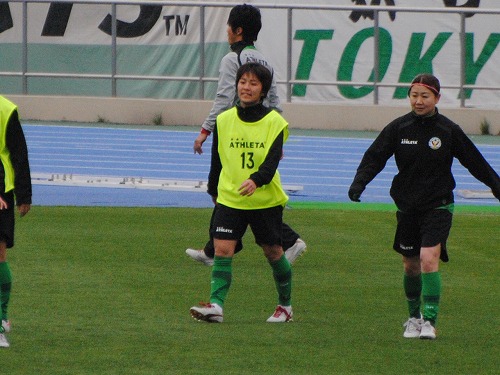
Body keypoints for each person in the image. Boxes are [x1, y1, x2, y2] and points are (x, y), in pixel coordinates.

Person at [348, 74, 500, 340]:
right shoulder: (399, 128)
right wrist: (359, 183)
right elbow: (375, 157)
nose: (418, 101)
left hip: (438, 205)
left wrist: (496, 185)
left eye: (425, 96)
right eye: (414, 95)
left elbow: (474, 161)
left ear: (437, 98)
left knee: (428, 258)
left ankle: (429, 322)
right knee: (410, 266)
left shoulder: (448, 130)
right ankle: (414, 318)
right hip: (407, 206)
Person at [187, 3, 306, 266]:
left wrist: (205, 130)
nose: (227, 32)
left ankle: (285, 240)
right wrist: (277, 136)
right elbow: (275, 101)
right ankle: (213, 248)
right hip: (261, 130)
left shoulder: (232, 59)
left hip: (233, 129)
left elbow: (224, 98)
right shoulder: (264, 60)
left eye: (229, 27)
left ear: (237, 30)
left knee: (221, 186)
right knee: (241, 189)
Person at [190, 62, 293, 323]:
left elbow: (271, 163)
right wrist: (214, 189)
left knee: (273, 253)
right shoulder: (224, 120)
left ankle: (285, 306)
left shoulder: (275, 122)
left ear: (263, 90)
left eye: (254, 83)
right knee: (223, 250)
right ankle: (216, 305)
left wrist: (256, 181)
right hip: (231, 198)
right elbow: (217, 159)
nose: (246, 88)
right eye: (243, 82)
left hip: (264, 200)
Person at [0, 95, 32, 348]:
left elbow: (18, 153)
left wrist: (24, 195)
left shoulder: (6, 109)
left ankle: (1, 317)